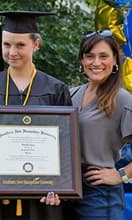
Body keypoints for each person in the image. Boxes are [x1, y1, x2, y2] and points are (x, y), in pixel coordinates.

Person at [0, 11, 71, 220]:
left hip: (41, 196)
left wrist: (62, 188)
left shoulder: (55, 89)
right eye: (6, 44)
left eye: (20, 45)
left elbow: (67, 145)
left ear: (35, 44)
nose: (12, 52)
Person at [60, 30, 132, 219]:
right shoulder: (70, 94)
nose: (96, 63)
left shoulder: (123, 100)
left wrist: (122, 174)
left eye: (103, 56)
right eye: (89, 56)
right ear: (82, 61)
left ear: (115, 60)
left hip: (99, 194)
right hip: (64, 189)